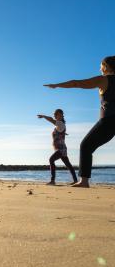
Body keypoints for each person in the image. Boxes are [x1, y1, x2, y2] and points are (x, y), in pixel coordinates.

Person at [44, 55, 115, 188]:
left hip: (109, 120)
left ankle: (84, 181)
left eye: (101, 65)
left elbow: (77, 83)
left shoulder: (104, 80)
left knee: (86, 146)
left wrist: (57, 85)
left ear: (106, 66)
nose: (100, 68)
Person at [37, 109, 77, 185]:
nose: (55, 116)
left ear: (61, 115)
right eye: (55, 114)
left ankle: (52, 181)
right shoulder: (60, 124)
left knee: (51, 160)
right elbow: (60, 131)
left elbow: (52, 120)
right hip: (61, 148)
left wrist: (44, 116)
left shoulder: (60, 123)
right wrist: (63, 133)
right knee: (68, 164)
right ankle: (75, 180)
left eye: (57, 114)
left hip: (60, 148)